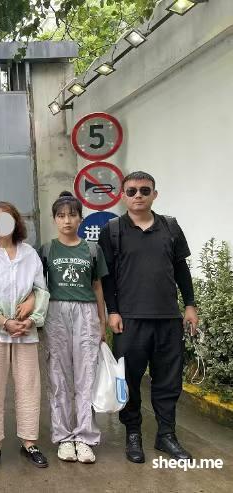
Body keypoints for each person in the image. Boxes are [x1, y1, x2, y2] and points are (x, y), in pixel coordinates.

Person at [98, 171, 198, 464]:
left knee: (168, 381)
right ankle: (133, 434)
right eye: (131, 191)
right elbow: (107, 278)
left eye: (145, 190)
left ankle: (166, 435)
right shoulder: (112, 230)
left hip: (168, 318)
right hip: (130, 320)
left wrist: (190, 305)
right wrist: (112, 311)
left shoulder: (170, 227)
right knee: (128, 380)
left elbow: (181, 269)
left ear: (155, 194)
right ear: (123, 196)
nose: (138, 195)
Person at [0, 201, 50, 471]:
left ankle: (29, 442)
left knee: (29, 386)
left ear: (16, 222)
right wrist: (3, 320)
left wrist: (31, 315)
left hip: (26, 330)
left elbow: (41, 289)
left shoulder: (29, 253)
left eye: (8, 218)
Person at [39, 191, 108, 464]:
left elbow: (97, 286)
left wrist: (102, 322)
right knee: (58, 376)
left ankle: (85, 437)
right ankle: (64, 437)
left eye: (72, 215)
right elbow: (38, 286)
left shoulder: (92, 249)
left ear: (80, 218)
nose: (67, 220)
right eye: (61, 215)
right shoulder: (47, 249)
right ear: (55, 219)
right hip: (56, 312)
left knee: (86, 375)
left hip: (86, 313)